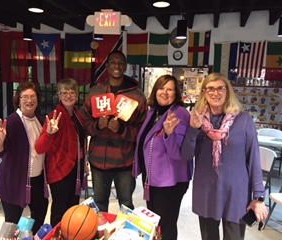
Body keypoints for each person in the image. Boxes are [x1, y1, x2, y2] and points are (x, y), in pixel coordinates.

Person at [181, 73, 268, 240]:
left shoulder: (243, 120)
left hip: (236, 193)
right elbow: (186, 155)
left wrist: (258, 196)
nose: (216, 93)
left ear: (228, 92)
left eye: (221, 88)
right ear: (204, 93)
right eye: (210, 89)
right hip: (206, 190)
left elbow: (254, 160)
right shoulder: (198, 119)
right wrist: (193, 129)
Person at [81, 50, 147, 212]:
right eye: (112, 62)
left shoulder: (137, 95)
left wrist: (122, 129)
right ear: (107, 66)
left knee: (126, 205)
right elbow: (84, 123)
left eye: (120, 63)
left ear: (125, 67)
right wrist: (98, 125)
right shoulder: (96, 91)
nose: (116, 66)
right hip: (99, 161)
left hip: (124, 161)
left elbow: (143, 131)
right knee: (99, 205)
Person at [133, 75, 193, 240]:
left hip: (170, 182)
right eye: (161, 88)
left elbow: (178, 154)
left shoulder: (179, 114)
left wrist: (169, 133)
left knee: (166, 225)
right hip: (152, 178)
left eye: (170, 89)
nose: (165, 93)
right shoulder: (153, 112)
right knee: (155, 224)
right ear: (155, 91)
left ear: (176, 93)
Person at [0, 82, 48, 234]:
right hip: (14, 181)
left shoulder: (41, 121)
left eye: (32, 96)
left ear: (37, 99)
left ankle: (31, 237)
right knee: (11, 224)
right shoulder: (12, 121)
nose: (29, 100)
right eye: (25, 97)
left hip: (37, 180)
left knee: (40, 213)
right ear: (18, 100)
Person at [35, 78, 88, 227]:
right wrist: (49, 133)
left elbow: (80, 142)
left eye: (72, 92)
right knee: (60, 209)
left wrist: (84, 163)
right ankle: (57, 235)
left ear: (77, 96)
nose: (68, 96)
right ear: (59, 95)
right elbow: (40, 148)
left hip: (75, 168)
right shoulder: (54, 116)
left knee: (72, 208)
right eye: (64, 93)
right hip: (60, 170)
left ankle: (70, 234)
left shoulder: (78, 114)